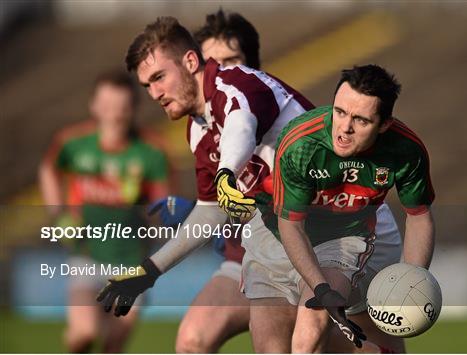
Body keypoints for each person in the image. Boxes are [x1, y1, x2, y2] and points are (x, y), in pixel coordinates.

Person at [97, 15, 402, 353]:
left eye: (158, 77)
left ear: (190, 61)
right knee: (274, 345)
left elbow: (241, 124)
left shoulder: (235, 85)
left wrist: (226, 172)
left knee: (309, 341)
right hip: (289, 238)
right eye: (146, 86)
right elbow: (211, 211)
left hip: (348, 226)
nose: (154, 93)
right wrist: (150, 271)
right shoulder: (198, 128)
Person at [241, 64, 435, 352]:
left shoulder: (406, 151)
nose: (344, 128)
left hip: (342, 238)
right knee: (273, 348)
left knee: (309, 333)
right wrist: (320, 288)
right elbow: (290, 224)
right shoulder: (301, 143)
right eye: (340, 112)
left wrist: (411, 279)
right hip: (275, 230)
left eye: (360, 120)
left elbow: (419, 216)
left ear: (384, 124)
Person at [39, 70, 170, 353]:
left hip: (131, 261)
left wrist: (159, 226)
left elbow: (162, 207)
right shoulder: (72, 143)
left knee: (113, 344)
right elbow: (48, 170)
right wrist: (57, 214)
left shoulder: (151, 151)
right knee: (84, 334)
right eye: (108, 106)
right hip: (87, 254)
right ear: (94, 106)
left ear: (133, 108)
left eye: (121, 107)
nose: (114, 114)